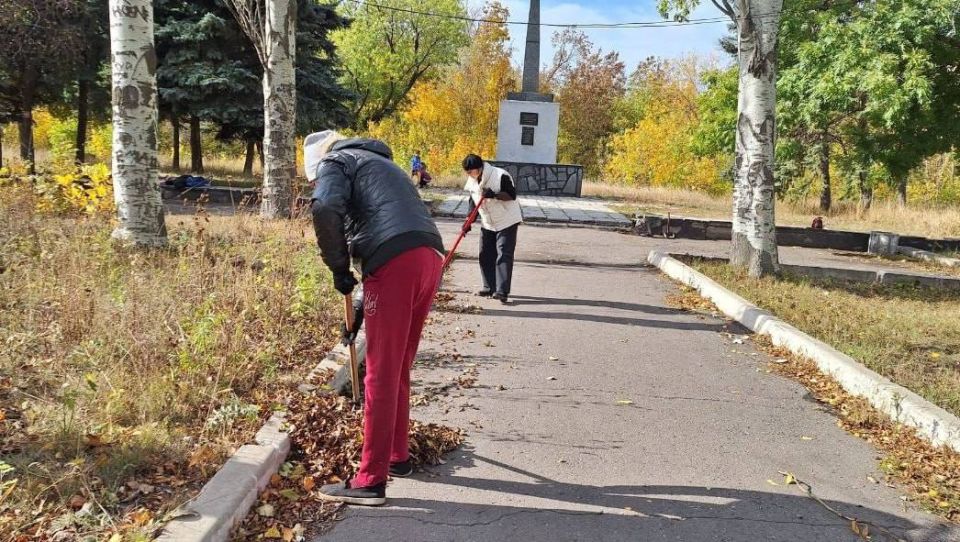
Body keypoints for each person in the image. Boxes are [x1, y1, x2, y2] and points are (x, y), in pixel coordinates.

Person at [305, 130, 445, 506]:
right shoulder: (384, 164)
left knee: (380, 372)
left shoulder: (336, 161)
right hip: (428, 257)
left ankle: (369, 480)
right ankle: (397, 456)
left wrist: (338, 268)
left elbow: (323, 208)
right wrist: (363, 310)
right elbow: (390, 231)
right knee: (398, 366)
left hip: (396, 263)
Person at [462, 153, 522, 304]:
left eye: (471, 171)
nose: (469, 175)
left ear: (480, 167)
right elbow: (473, 203)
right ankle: (489, 286)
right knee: (485, 254)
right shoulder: (472, 181)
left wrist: (494, 195)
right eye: (467, 172)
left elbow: (511, 195)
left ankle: (502, 291)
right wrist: (468, 222)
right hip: (488, 222)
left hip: (506, 221)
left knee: (503, 254)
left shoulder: (500, 175)